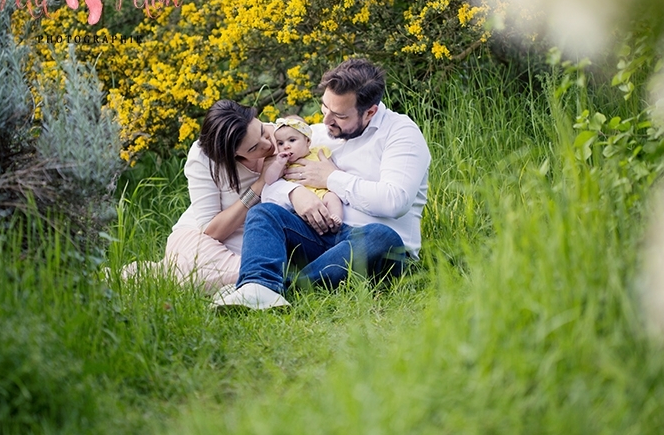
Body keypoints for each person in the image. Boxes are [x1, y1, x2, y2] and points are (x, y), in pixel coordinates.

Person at [213, 58, 431, 310]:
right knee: (264, 213)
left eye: (339, 115)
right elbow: (274, 179)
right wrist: (295, 194)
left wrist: (331, 177)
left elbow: (394, 201)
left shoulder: (401, 133)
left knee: (382, 236)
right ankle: (257, 285)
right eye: (325, 107)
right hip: (321, 237)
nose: (327, 120)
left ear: (370, 112)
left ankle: (287, 288)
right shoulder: (316, 134)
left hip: (372, 246)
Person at [121, 99, 278, 294]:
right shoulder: (205, 157)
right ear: (231, 154)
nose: (267, 144)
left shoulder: (283, 136)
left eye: (262, 131)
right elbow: (211, 230)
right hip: (202, 239)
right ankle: (260, 275)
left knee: (196, 272)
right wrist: (260, 184)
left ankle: (162, 272)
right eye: (253, 148)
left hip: (252, 240)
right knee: (203, 266)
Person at [262, 116, 344, 229]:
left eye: (292, 140)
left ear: (308, 141)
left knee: (332, 198)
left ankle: (335, 218)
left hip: (322, 193)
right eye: (280, 143)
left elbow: (334, 172)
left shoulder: (319, 152)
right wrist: (278, 164)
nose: (286, 146)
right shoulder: (284, 163)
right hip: (300, 204)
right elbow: (269, 180)